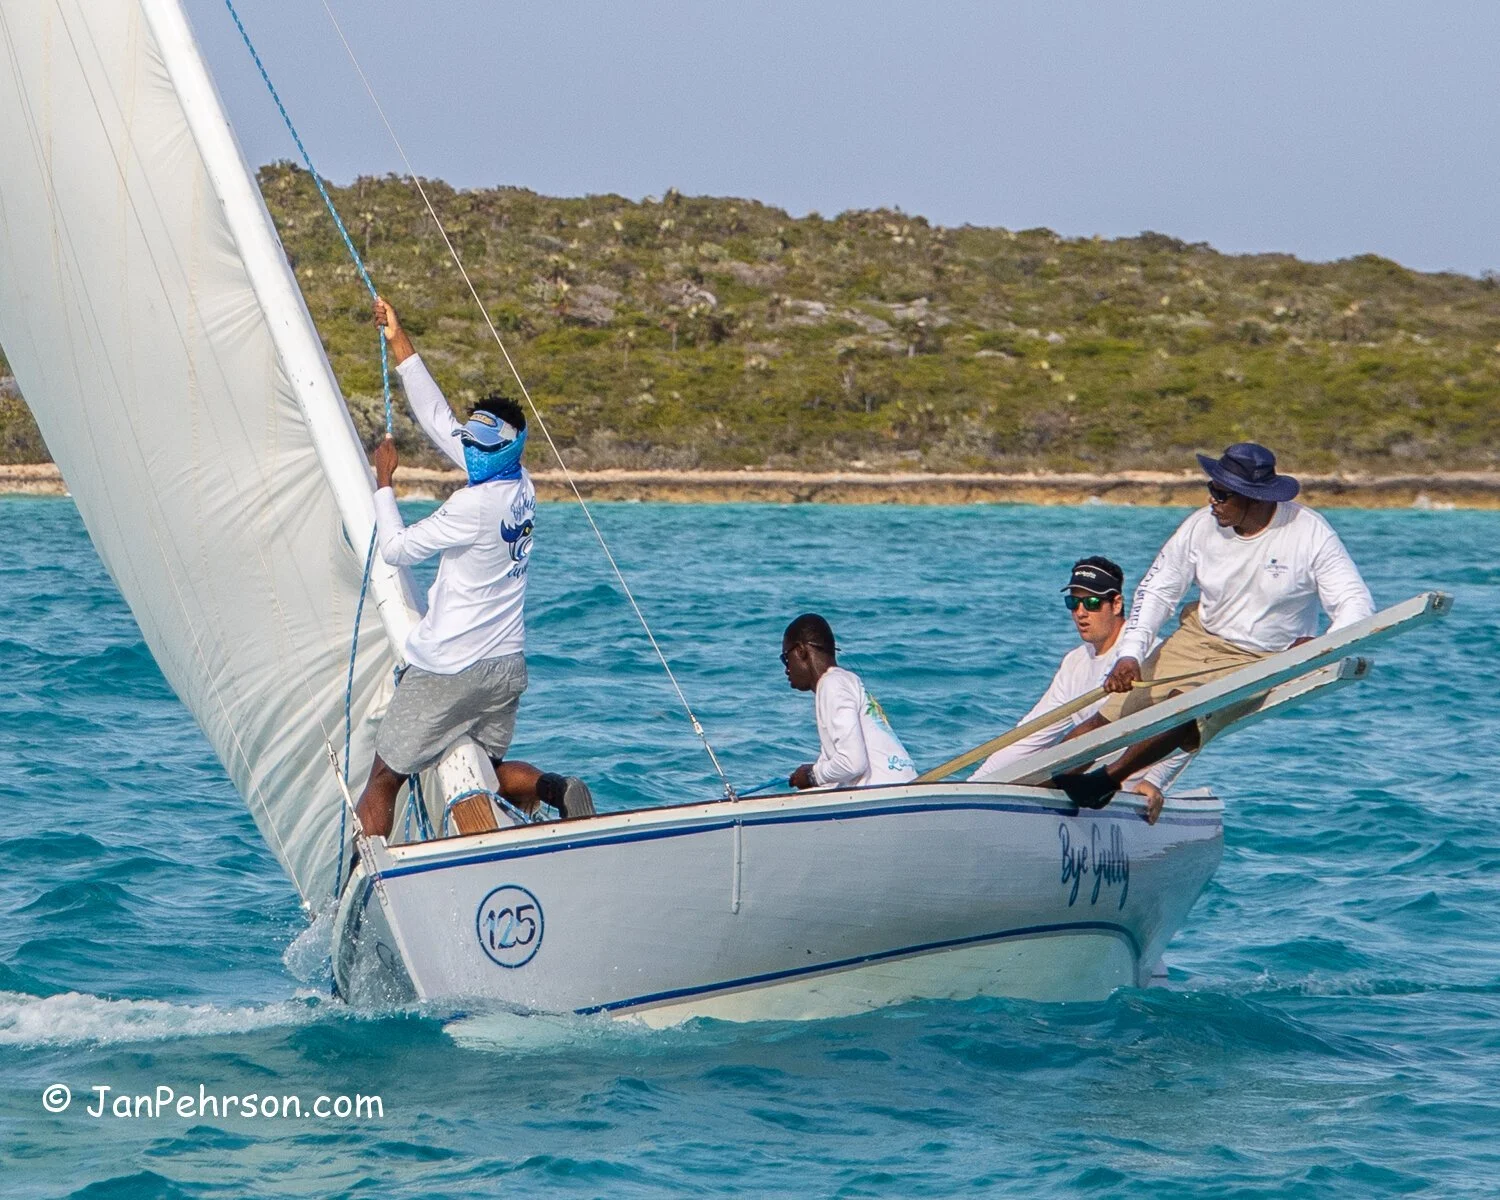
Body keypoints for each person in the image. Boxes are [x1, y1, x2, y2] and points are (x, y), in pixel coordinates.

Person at [354, 297, 594, 839]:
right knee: (481, 772)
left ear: (498, 451)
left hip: (451, 668)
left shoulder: (472, 506)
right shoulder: (519, 483)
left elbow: (395, 549)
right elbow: (441, 421)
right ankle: (554, 790)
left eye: (479, 446)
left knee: (384, 776)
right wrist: (399, 339)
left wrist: (384, 482)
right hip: (506, 666)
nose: (472, 451)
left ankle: (367, 882)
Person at [1052, 442, 1374, 809]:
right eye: (1212, 490)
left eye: (1221, 494)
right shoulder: (1201, 526)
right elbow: (1158, 589)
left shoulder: (1310, 534)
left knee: (1183, 708)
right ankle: (1029, 786)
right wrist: (1129, 655)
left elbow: (1356, 604)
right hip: (1196, 637)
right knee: (1106, 719)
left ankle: (1107, 782)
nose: (1212, 501)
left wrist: (1319, 650)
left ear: (1254, 498)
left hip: (1260, 658)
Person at [971, 557, 1185, 823]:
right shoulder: (1074, 662)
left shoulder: (1148, 653)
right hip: (1082, 783)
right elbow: (1033, 732)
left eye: (1092, 603)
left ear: (1116, 603)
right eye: (1073, 602)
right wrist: (975, 785)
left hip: (1127, 790)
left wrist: (1155, 781)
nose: (1081, 612)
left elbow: (1190, 720)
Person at [782, 613, 918, 790]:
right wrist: (813, 778)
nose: (786, 669)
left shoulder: (831, 685)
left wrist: (811, 775)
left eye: (785, 658)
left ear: (801, 651)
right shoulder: (846, 681)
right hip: (907, 784)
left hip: (883, 793)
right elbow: (840, 767)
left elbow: (852, 762)